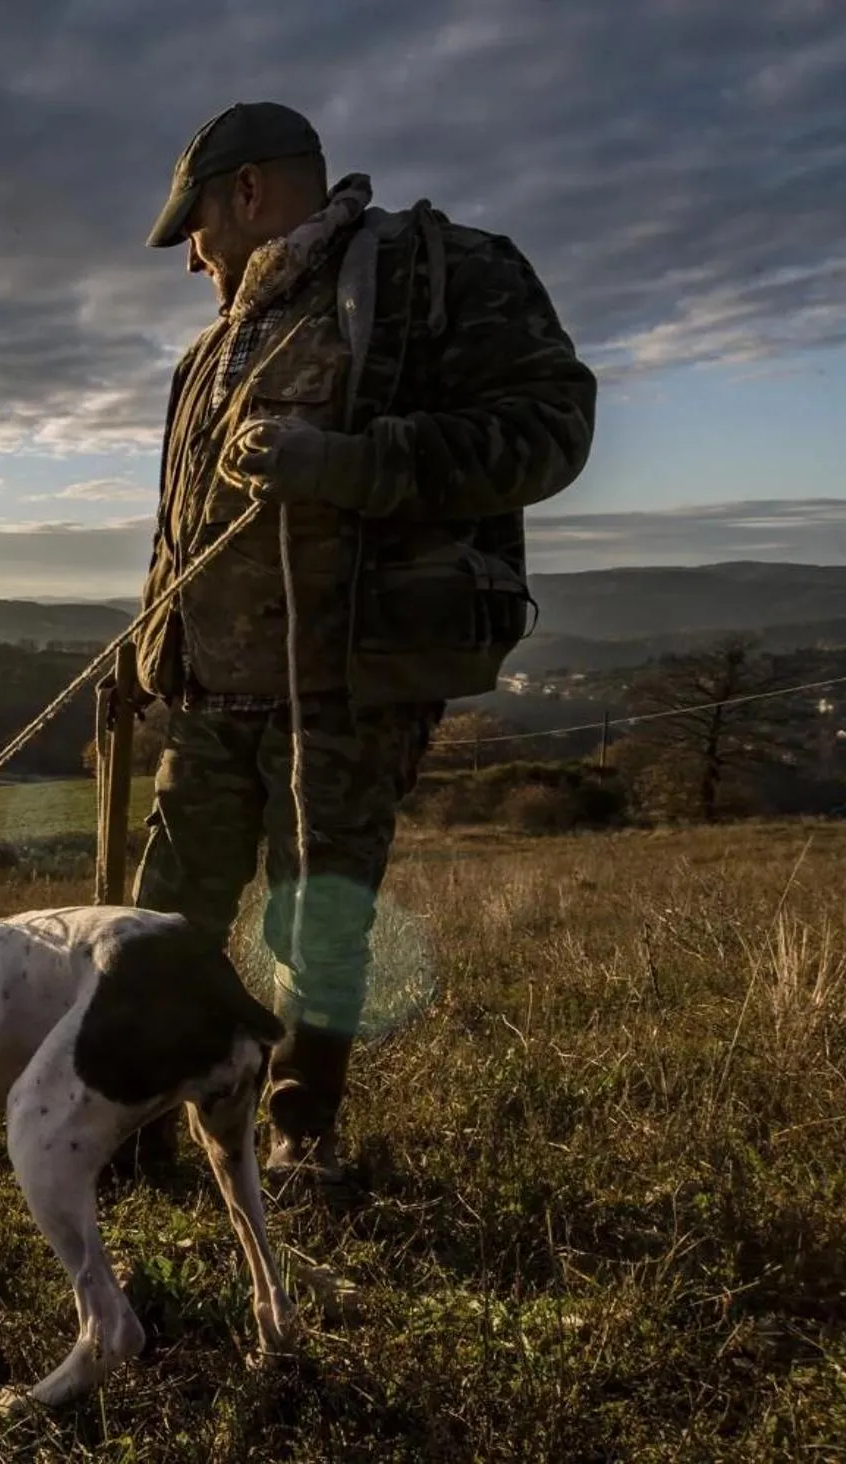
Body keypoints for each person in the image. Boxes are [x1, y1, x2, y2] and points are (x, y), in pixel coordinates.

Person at [126, 102, 596, 1187]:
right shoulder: (215, 345)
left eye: (191, 224)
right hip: (204, 694)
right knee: (160, 919)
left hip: (344, 688)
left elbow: (547, 430)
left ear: (248, 193)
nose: (188, 254)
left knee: (318, 924)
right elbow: (183, 526)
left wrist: (344, 463)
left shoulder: (440, 278)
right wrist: (150, 644)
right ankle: (136, 1116)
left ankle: (302, 1133)